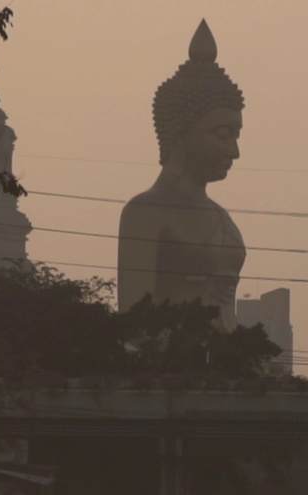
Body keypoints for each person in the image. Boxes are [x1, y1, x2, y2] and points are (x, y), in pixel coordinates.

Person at [117, 20, 248, 331]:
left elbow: (227, 313)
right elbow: (135, 324)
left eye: (237, 136)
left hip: (229, 367)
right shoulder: (145, 212)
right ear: (179, 134)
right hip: (173, 369)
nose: (234, 152)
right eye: (222, 134)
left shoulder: (222, 218)